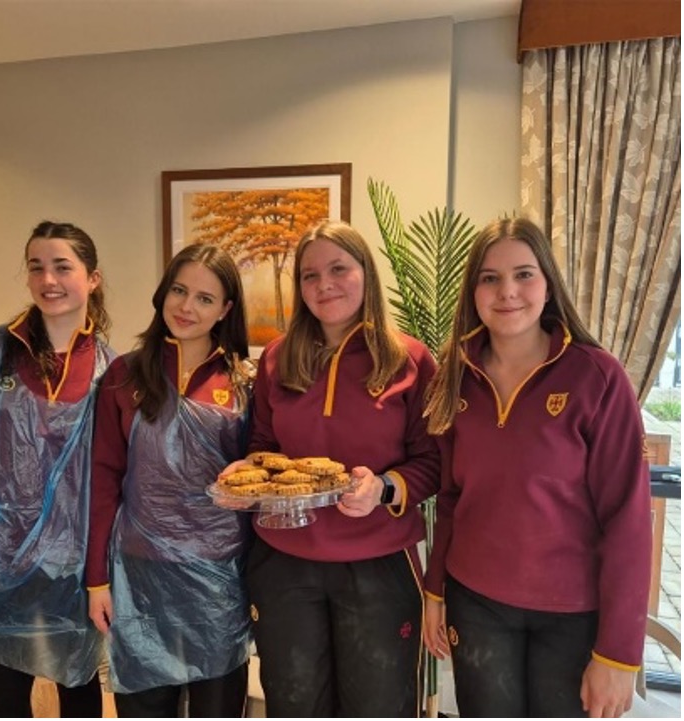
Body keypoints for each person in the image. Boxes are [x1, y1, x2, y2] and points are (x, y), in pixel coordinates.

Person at [422, 217, 652, 718]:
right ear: (474, 292)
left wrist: (618, 653)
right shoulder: (455, 374)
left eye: (524, 274)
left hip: (572, 614)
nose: (507, 292)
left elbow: (628, 518)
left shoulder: (597, 376)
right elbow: (451, 496)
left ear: (548, 284)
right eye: (490, 278)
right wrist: (435, 590)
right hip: (476, 603)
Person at [241, 220, 440, 717]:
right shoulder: (278, 358)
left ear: (364, 274)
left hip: (378, 563)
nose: (324, 284)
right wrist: (250, 474)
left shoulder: (410, 359)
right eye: (310, 275)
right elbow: (263, 445)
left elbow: (433, 461)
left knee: (379, 706)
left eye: (338, 269)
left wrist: (385, 487)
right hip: (284, 560)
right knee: (294, 703)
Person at [86, 243, 254, 718]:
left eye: (205, 298)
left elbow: (259, 479)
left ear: (225, 309)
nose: (186, 306)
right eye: (179, 290)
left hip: (220, 582)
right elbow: (103, 479)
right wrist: (96, 579)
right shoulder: (125, 374)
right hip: (140, 576)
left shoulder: (245, 382)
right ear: (162, 294)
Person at [0, 220, 113, 717]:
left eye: (62, 267)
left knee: (79, 691)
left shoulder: (115, 371)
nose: (48, 279)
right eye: (36, 267)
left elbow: (116, 478)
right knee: (4, 696)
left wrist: (101, 574)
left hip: (75, 569)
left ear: (92, 277)